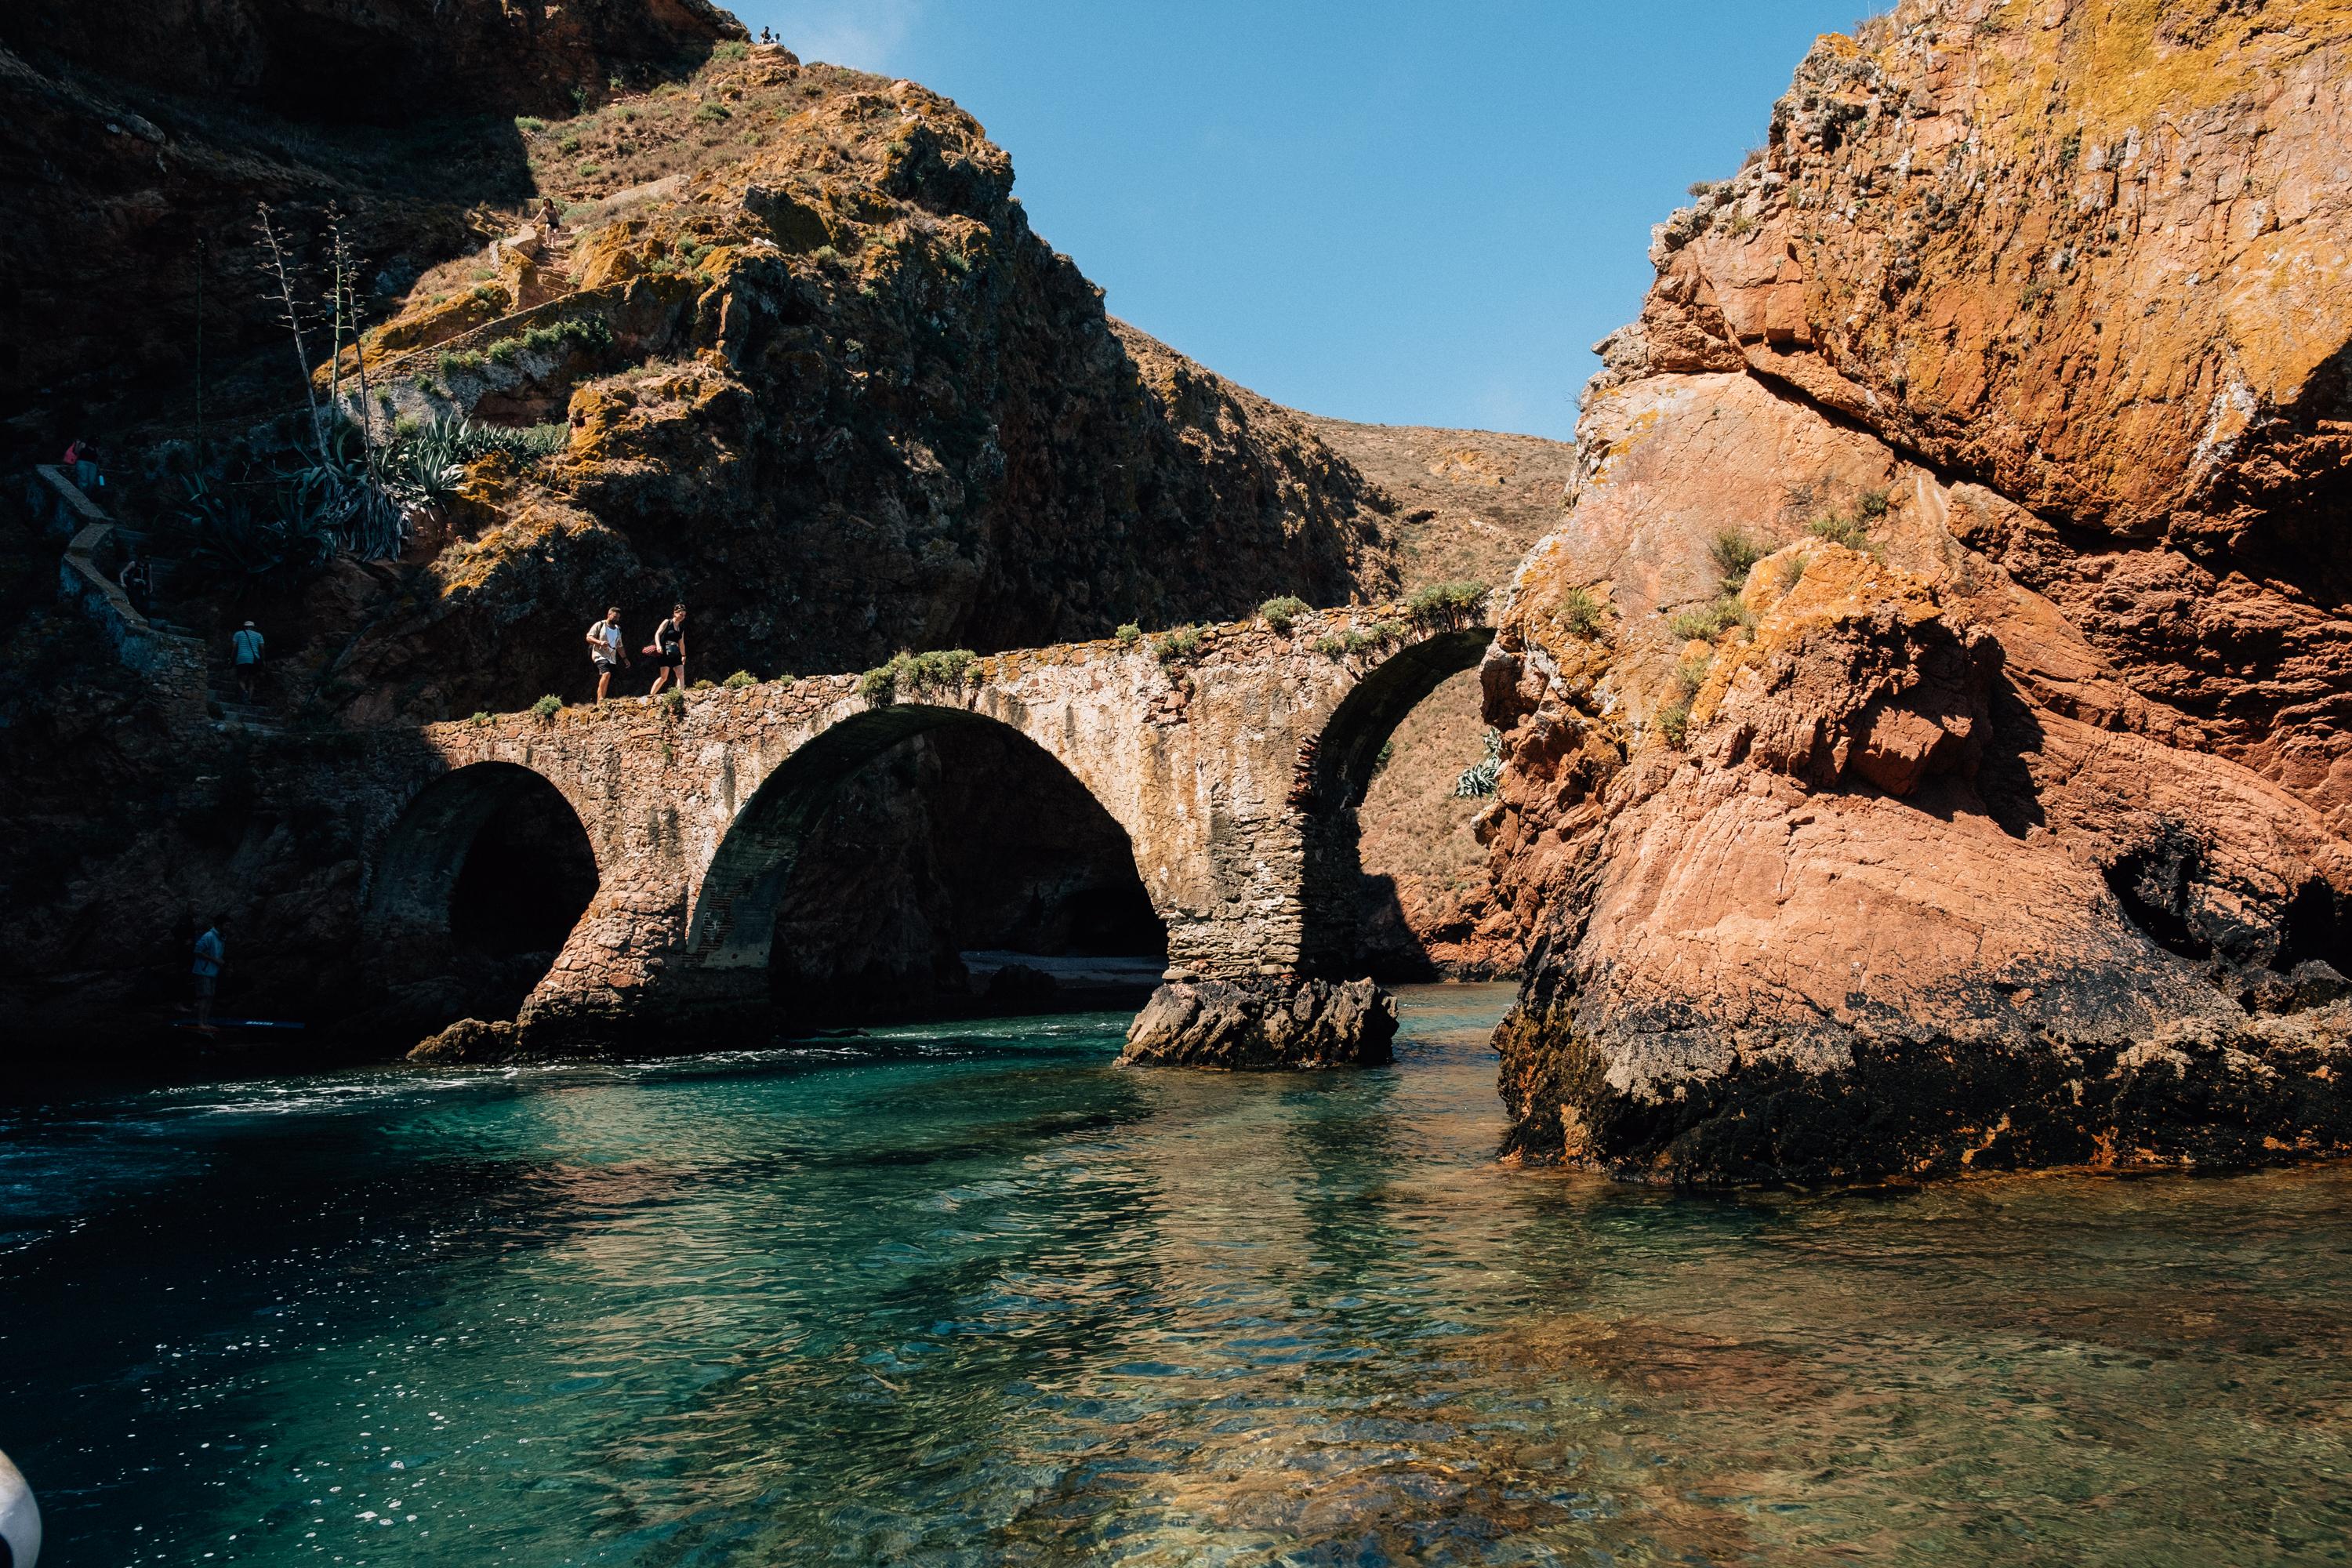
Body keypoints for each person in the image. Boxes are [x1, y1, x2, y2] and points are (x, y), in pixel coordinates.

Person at [586, 605, 628, 702]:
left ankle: (602, 701)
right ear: (609, 615)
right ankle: (600, 699)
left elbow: (619, 646)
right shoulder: (600, 625)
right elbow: (588, 637)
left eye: (618, 617)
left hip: (612, 657)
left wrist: (625, 659)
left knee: (608, 677)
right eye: (615, 616)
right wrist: (600, 642)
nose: (617, 619)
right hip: (599, 654)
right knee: (606, 673)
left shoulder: (618, 629)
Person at [191, 920, 225, 1030]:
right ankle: (201, 1022)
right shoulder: (209, 936)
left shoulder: (221, 938)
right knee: (204, 997)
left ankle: (206, 1022)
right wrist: (215, 960)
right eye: (227, 925)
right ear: (221, 924)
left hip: (212, 972)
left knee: (210, 997)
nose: (229, 928)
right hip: (203, 971)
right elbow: (197, 951)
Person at [647, 602, 688, 696]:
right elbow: (657, 634)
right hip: (664, 652)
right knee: (664, 677)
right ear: (675, 613)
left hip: (675, 652)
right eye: (681, 614)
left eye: (684, 615)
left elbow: (681, 643)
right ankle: (651, 695)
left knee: (680, 674)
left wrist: (684, 655)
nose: (682, 617)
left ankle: (680, 695)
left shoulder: (681, 629)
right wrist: (658, 646)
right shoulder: (667, 622)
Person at [231, 619, 265, 702]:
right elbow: (262, 648)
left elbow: (234, 647)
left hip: (242, 659)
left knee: (241, 679)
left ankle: (244, 691)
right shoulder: (259, 635)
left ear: (244, 627)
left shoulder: (238, 634)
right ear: (253, 627)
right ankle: (249, 700)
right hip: (254, 660)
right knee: (252, 681)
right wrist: (263, 660)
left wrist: (232, 658)